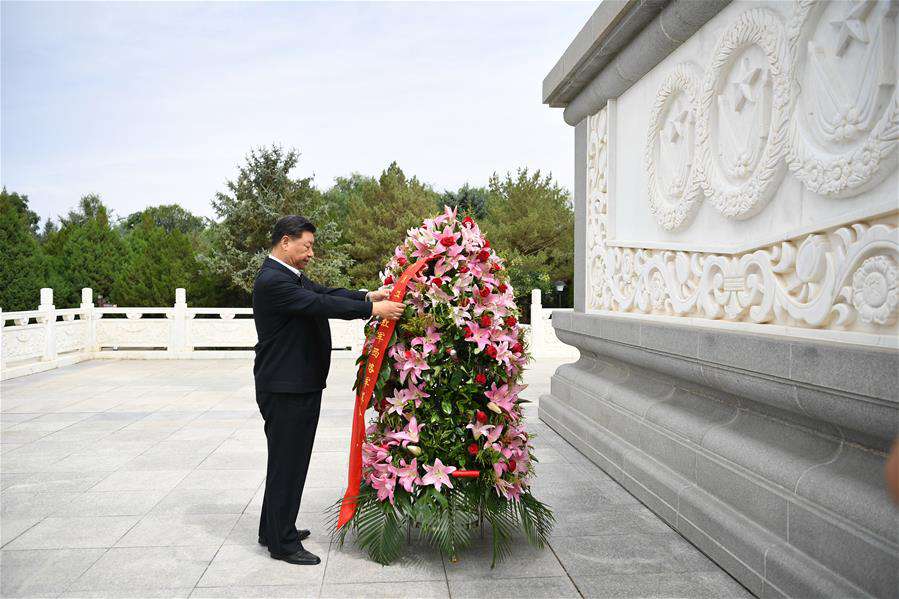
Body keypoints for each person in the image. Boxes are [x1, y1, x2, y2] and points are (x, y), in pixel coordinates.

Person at [252, 215, 404, 565]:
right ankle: (283, 543)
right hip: (288, 387)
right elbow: (320, 305)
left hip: (295, 384)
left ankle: (272, 528)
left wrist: (367, 295)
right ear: (285, 241)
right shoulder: (274, 280)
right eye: (306, 246)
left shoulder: (288, 275)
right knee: (288, 463)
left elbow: (324, 292)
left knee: (285, 461)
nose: (311, 253)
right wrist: (372, 310)